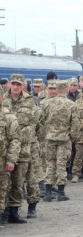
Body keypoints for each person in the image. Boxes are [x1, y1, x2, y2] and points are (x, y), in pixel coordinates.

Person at [2, 74, 37, 224]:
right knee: (4, 183)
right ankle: (4, 211)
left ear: (23, 86)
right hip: (5, 150)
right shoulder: (3, 99)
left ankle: (14, 211)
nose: (15, 87)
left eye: (19, 84)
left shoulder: (30, 101)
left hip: (23, 148)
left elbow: (35, 124)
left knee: (17, 181)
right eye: (13, 84)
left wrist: (24, 137)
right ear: (10, 85)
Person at [41, 80, 79, 201]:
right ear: (67, 90)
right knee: (61, 165)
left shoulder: (46, 103)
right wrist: (73, 137)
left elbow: (41, 121)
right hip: (64, 139)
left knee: (50, 164)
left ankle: (47, 193)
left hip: (49, 138)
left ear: (56, 90)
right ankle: (61, 193)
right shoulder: (71, 105)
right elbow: (75, 124)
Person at [0, 86, 22, 225]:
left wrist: (11, 160)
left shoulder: (8, 117)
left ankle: (1, 215)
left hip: (2, 161)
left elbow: (15, 139)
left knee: (3, 189)